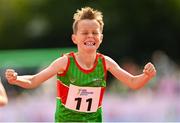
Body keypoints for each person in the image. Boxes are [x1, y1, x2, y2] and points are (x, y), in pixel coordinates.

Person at [5, 7, 156, 122]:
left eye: (94, 33)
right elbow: (34, 80)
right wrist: (17, 79)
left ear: (101, 38)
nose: (90, 36)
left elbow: (133, 82)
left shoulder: (105, 62)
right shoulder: (65, 62)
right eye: (85, 33)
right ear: (74, 38)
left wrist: (146, 76)